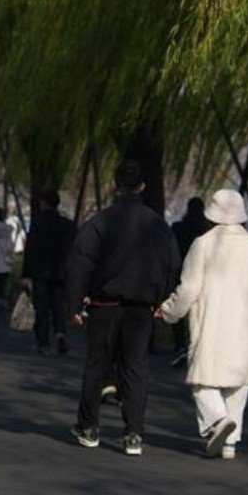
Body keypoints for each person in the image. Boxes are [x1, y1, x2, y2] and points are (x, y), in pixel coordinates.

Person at [67, 161, 181, 456]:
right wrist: (161, 299)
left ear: (115, 185)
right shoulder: (158, 225)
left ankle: (88, 427)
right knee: (136, 368)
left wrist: (76, 302)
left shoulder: (100, 221)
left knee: (97, 364)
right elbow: (172, 265)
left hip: (104, 304)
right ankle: (133, 434)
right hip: (141, 308)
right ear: (143, 186)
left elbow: (81, 262)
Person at [158, 189, 248, 460]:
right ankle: (230, 445)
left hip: (211, 326)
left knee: (201, 380)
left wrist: (168, 311)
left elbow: (188, 289)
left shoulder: (203, 244)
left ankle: (217, 421)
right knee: (238, 387)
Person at [20, 191, 77, 355]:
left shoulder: (38, 222)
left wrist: (25, 274)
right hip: (60, 271)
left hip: (40, 271)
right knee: (59, 305)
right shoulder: (67, 224)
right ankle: (60, 334)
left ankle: (43, 342)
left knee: (42, 307)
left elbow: (31, 249)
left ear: (43, 203)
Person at [168, 197, 210, 367]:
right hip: (202, 274)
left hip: (180, 271)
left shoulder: (178, 228)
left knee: (179, 308)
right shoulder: (206, 231)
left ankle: (180, 345)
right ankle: (195, 344)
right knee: (199, 311)